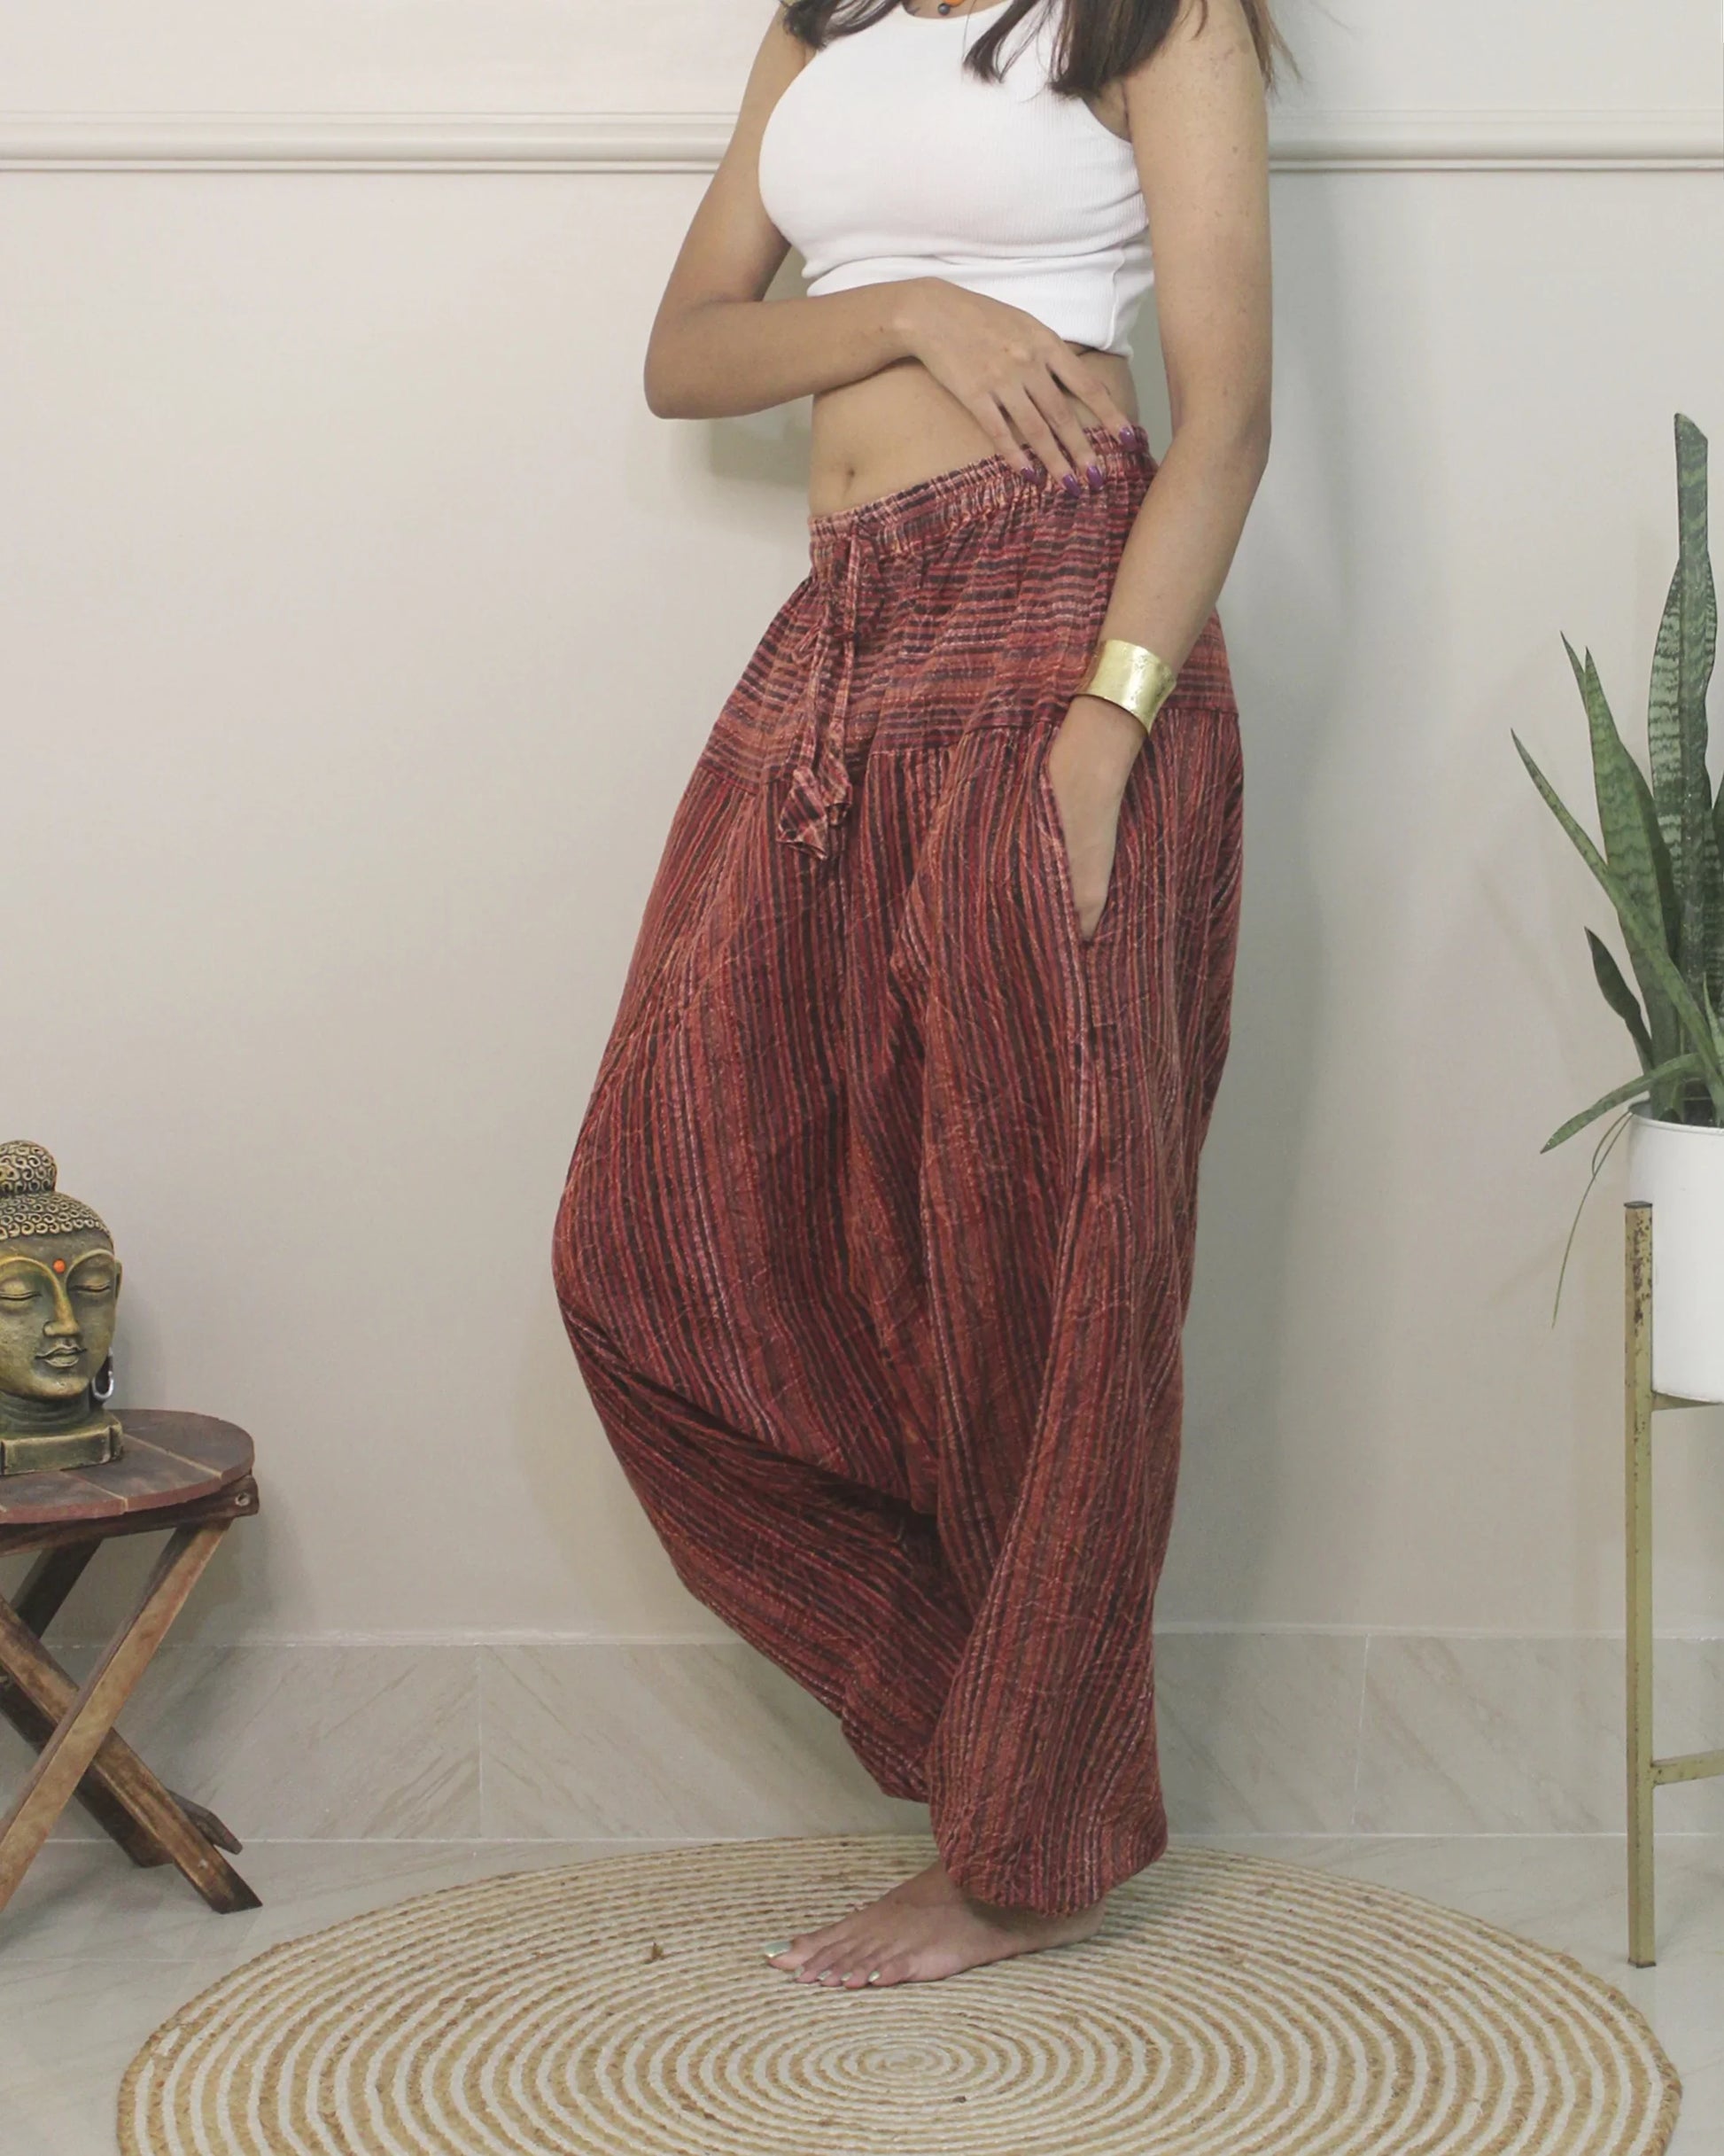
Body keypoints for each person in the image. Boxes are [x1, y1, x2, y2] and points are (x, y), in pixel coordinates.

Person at [553, 0, 1279, 1991]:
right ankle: (1010, 1736)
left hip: (1060, 623)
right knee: (651, 1219)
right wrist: (914, 316)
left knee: (1046, 1247)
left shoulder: (1159, 16)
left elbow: (1223, 413)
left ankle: (1024, 1845)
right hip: (849, 643)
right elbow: (685, 349)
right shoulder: (828, 20)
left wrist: (1110, 730)